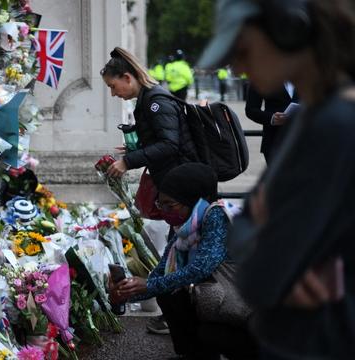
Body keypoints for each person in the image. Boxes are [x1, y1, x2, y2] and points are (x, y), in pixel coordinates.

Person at [199, 0, 355, 358]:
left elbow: (260, 273)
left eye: (243, 49)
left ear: (290, 31)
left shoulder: (334, 126)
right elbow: (244, 241)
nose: (237, 67)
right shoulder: (314, 120)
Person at [110, 163, 256, 359]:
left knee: (208, 329)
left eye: (170, 205)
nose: (164, 211)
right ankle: (192, 354)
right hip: (224, 308)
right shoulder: (185, 228)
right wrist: (125, 294)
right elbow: (161, 274)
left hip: (251, 314)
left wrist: (147, 285)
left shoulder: (217, 215)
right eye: (161, 205)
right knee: (169, 293)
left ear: (193, 200)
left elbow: (201, 268)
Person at [100, 47, 198, 187]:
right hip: (174, 177)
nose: (112, 93)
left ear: (127, 78)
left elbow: (169, 145)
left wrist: (127, 161)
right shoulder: (147, 99)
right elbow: (162, 138)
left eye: (113, 86)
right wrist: (139, 147)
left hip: (182, 181)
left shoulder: (156, 102)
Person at [244, 82, 298, 164]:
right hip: (274, 141)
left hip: (304, 141)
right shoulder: (261, 76)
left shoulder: (305, 74)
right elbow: (250, 110)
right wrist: (272, 118)